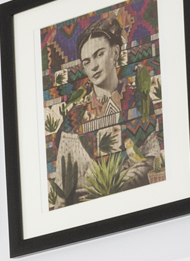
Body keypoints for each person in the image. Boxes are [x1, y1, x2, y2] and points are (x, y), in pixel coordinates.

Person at [52, 12, 161, 201]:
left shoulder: (139, 100)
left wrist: (117, 182)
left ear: (115, 53)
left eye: (99, 54)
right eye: (87, 62)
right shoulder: (73, 117)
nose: (93, 66)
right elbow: (63, 184)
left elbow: (152, 158)